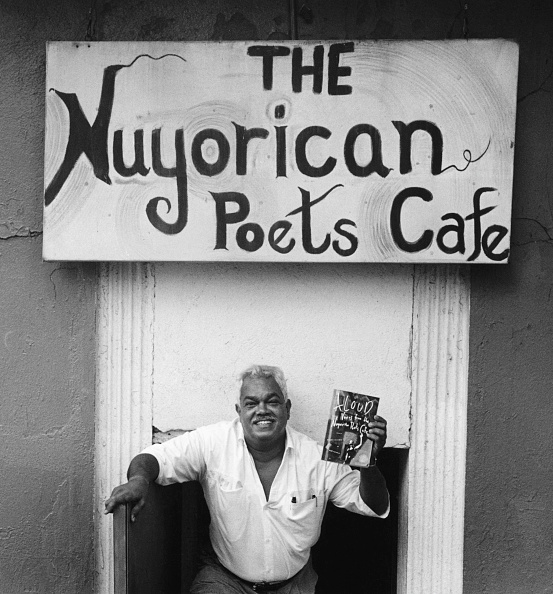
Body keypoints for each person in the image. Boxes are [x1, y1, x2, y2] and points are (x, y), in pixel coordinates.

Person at [105, 365, 389, 593]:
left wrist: (368, 464)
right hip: (224, 581)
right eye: (251, 403)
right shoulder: (214, 442)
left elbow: (373, 506)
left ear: (287, 409)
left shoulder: (317, 457)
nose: (262, 410)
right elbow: (155, 458)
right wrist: (139, 480)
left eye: (272, 401)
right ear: (239, 412)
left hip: (296, 584)